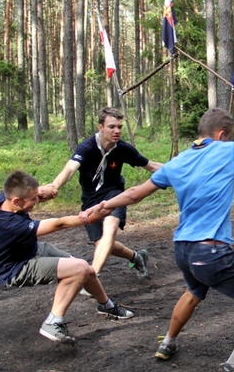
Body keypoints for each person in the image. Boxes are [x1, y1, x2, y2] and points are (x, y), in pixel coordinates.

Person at [83, 108, 234, 372]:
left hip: (183, 250)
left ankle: (168, 343)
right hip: (211, 252)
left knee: (194, 292)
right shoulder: (229, 150)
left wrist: (103, 206)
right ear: (221, 134)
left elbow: (135, 193)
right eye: (230, 136)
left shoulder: (178, 161)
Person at [0, 171, 134, 344]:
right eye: (33, 199)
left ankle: (106, 306)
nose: (37, 201)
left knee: (87, 271)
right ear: (17, 201)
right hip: (16, 268)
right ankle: (53, 322)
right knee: (79, 269)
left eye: (37, 197)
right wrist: (92, 216)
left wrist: (47, 190)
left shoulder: (4, 200)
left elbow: (34, 193)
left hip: (30, 250)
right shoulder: (10, 225)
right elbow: (60, 223)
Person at [48, 107, 162, 280]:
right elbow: (70, 169)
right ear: (100, 127)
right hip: (90, 199)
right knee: (102, 243)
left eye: (119, 127)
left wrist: (181, 170)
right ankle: (136, 256)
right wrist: (54, 186)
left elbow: (151, 166)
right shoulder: (87, 147)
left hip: (114, 194)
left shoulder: (123, 148)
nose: (117, 131)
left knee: (110, 230)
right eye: (111, 127)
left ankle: (91, 277)